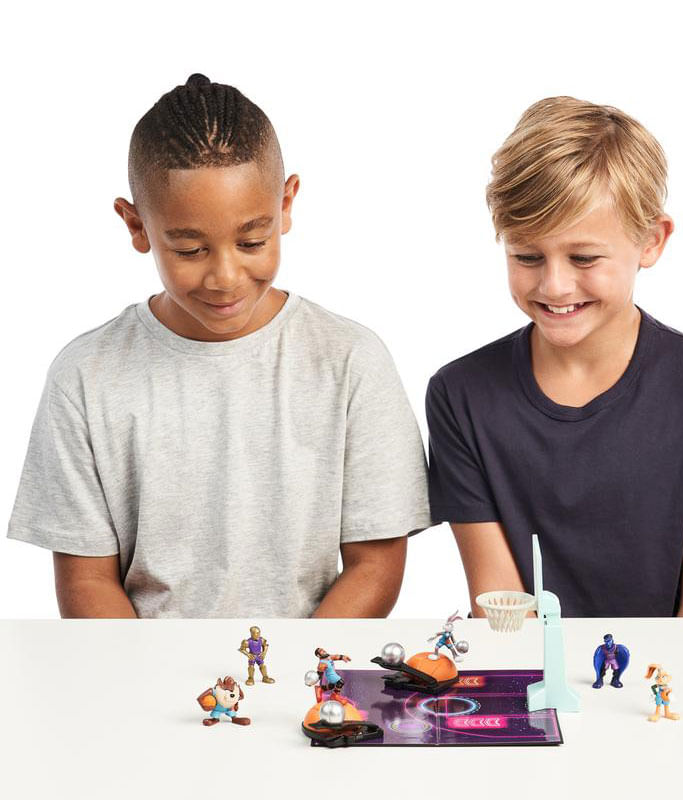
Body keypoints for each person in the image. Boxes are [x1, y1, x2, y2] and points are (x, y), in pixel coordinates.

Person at [7, 74, 431, 618]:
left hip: (310, 667)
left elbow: (375, 566)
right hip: (142, 665)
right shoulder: (85, 376)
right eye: (190, 250)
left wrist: (294, 664)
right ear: (137, 226)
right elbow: (87, 580)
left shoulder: (351, 361)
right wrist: (154, 671)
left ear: (286, 204)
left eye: (252, 242)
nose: (225, 277)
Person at [426, 96, 683, 618]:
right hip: (527, 667)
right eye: (527, 256)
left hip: (674, 670)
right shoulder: (461, 393)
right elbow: (502, 610)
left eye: (583, 257)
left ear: (652, 241)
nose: (554, 285)